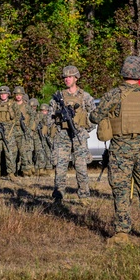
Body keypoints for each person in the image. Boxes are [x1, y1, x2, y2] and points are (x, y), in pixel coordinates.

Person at [90, 55, 140, 245]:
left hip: (121, 149)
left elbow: (95, 117)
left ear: (123, 72)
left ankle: (122, 233)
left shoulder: (114, 95)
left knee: (121, 190)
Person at [49, 66, 95, 202]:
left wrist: (85, 130)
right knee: (60, 167)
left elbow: (94, 116)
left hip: (79, 135)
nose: (66, 79)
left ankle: (84, 196)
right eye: (65, 77)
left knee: (81, 167)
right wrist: (58, 119)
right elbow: (49, 117)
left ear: (76, 78)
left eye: (69, 77)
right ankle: (58, 195)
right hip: (62, 135)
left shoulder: (85, 97)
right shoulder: (58, 97)